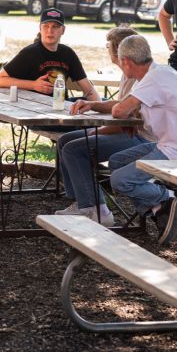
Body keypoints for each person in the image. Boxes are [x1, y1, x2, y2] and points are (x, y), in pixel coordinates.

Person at [108, 35, 177, 245]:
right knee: (117, 162)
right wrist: (90, 105)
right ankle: (158, 209)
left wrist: (127, 110)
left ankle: (165, 198)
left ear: (126, 61)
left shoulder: (152, 80)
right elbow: (125, 107)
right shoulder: (158, 73)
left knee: (119, 179)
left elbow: (119, 110)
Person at [55, 27, 155, 226]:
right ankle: (82, 201)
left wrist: (96, 130)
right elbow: (120, 104)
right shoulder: (127, 72)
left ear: (119, 50)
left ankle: (98, 210)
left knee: (75, 148)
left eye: (108, 46)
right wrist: (93, 104)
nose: (106, 50)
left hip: (140, 137)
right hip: (131, 132)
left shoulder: (134, 74)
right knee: (64, 140)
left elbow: (125, 121)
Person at [0, 8, 100, 101]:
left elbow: (88, 89)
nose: (50, 31)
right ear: (40, 28)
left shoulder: (68, 54)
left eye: (55, 26)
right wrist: (33, 85)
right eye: (46, 26)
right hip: (35, 110)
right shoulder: (30, 53)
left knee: (105, 103)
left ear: (63, 30)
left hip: (63, 106)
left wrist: (100, 109)